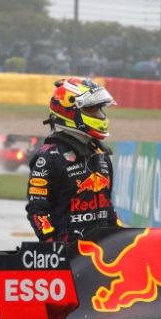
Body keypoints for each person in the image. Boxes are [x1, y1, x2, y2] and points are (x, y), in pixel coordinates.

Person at [26, 77, 120, 242]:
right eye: (91, 110)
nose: (99, 115)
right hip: (69, 254)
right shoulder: (48, 157)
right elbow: (37, 210)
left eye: (99, 109)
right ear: (70, 111)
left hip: (103, 253)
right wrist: (53, 245)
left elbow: (106, 206)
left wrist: (120, 236)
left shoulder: (101, 154)